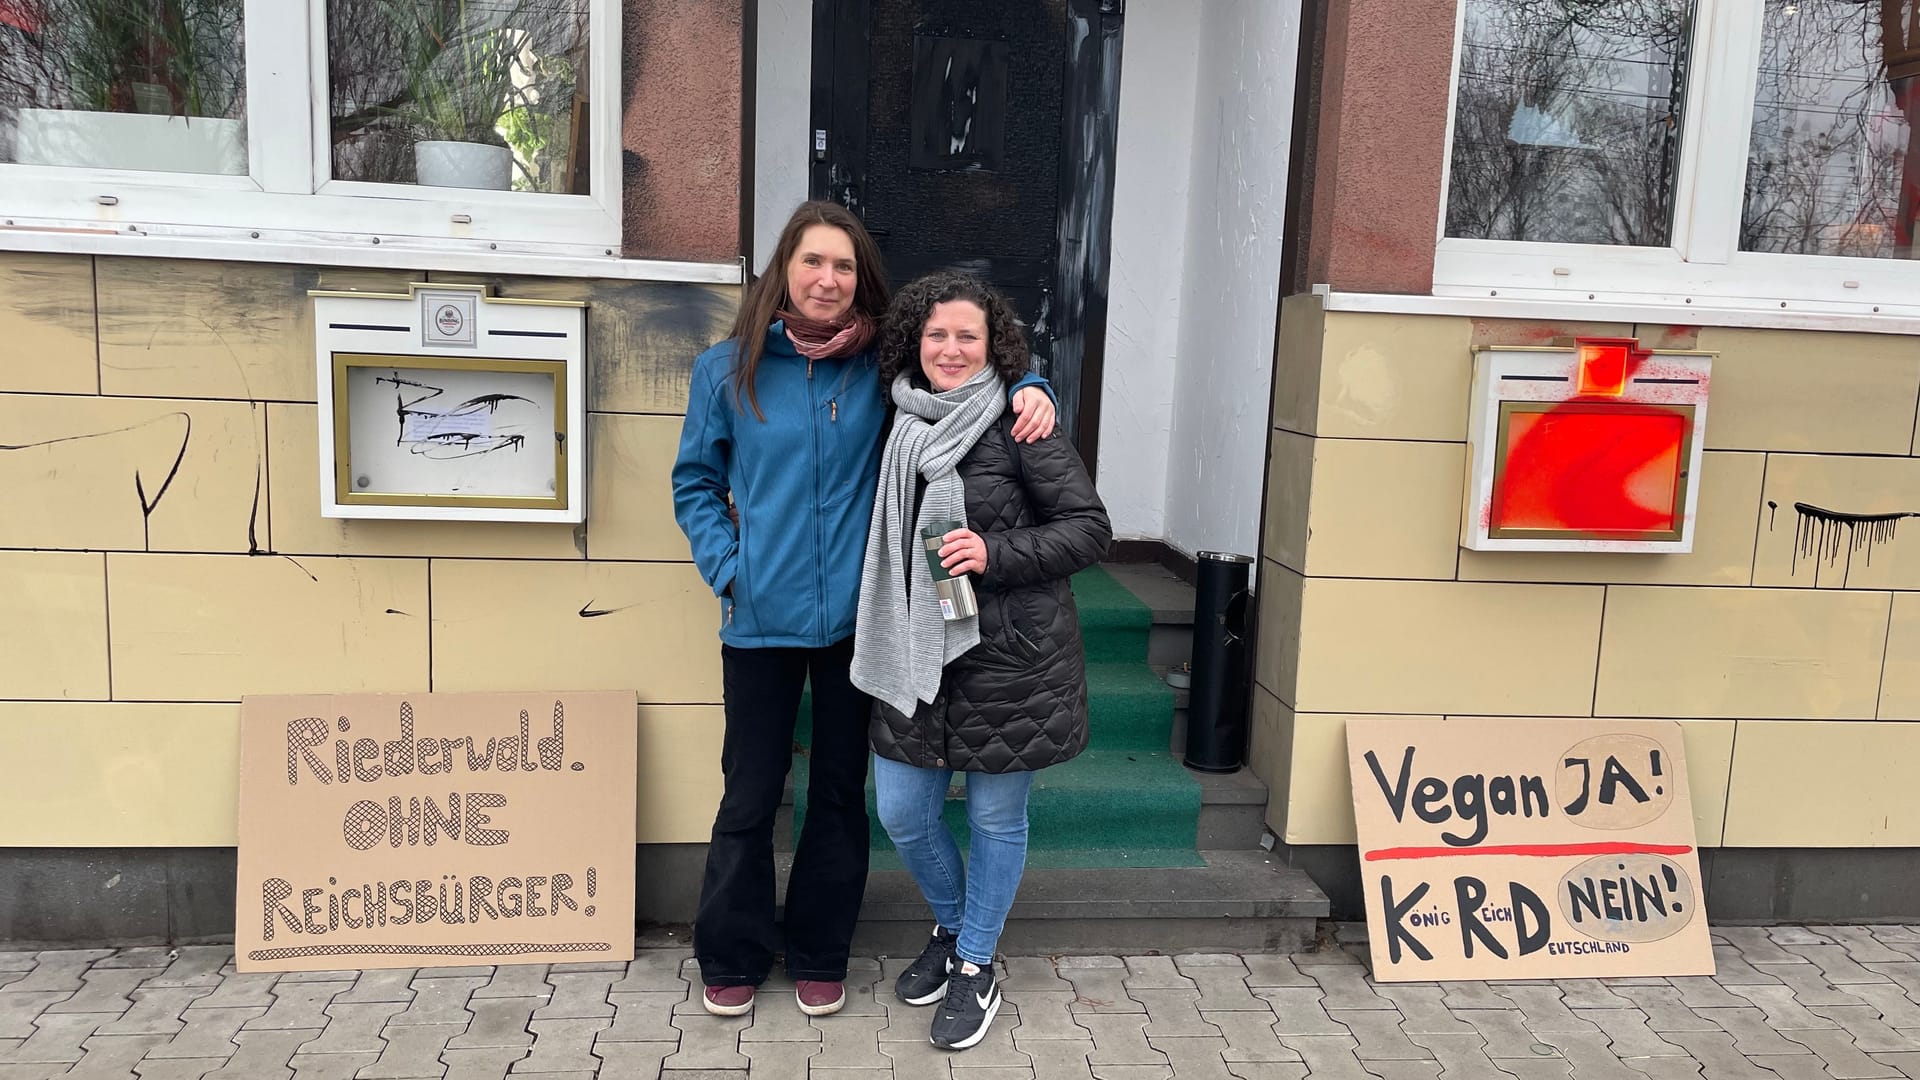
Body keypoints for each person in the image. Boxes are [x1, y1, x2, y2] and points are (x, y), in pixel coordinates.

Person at [670, 202, 1058, 1019]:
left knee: (841, 794)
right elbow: (695, 482)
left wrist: (1030, 383)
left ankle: (819, 950)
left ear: (860, 281)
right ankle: (733, 952)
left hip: (860, 622)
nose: (827, 279)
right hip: (759, 617)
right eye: (813, 261)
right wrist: (729, 569)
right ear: (784, 269)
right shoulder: (725, 368)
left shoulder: (883, 369)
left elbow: (965, 380)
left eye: (843, 267)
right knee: (749, 793)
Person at [850, 271, 1110, 1050]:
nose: (953, 349)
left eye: (969, 336)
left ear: (993, 344)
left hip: (1010, 658)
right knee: (902, 812)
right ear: (914, 345)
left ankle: (974, 964)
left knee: (997, 818)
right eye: (937, 335)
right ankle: (958, 925)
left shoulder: (1023, 422)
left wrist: (993, 552)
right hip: (911, 647)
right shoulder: (892, 418)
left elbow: (1089, 529)